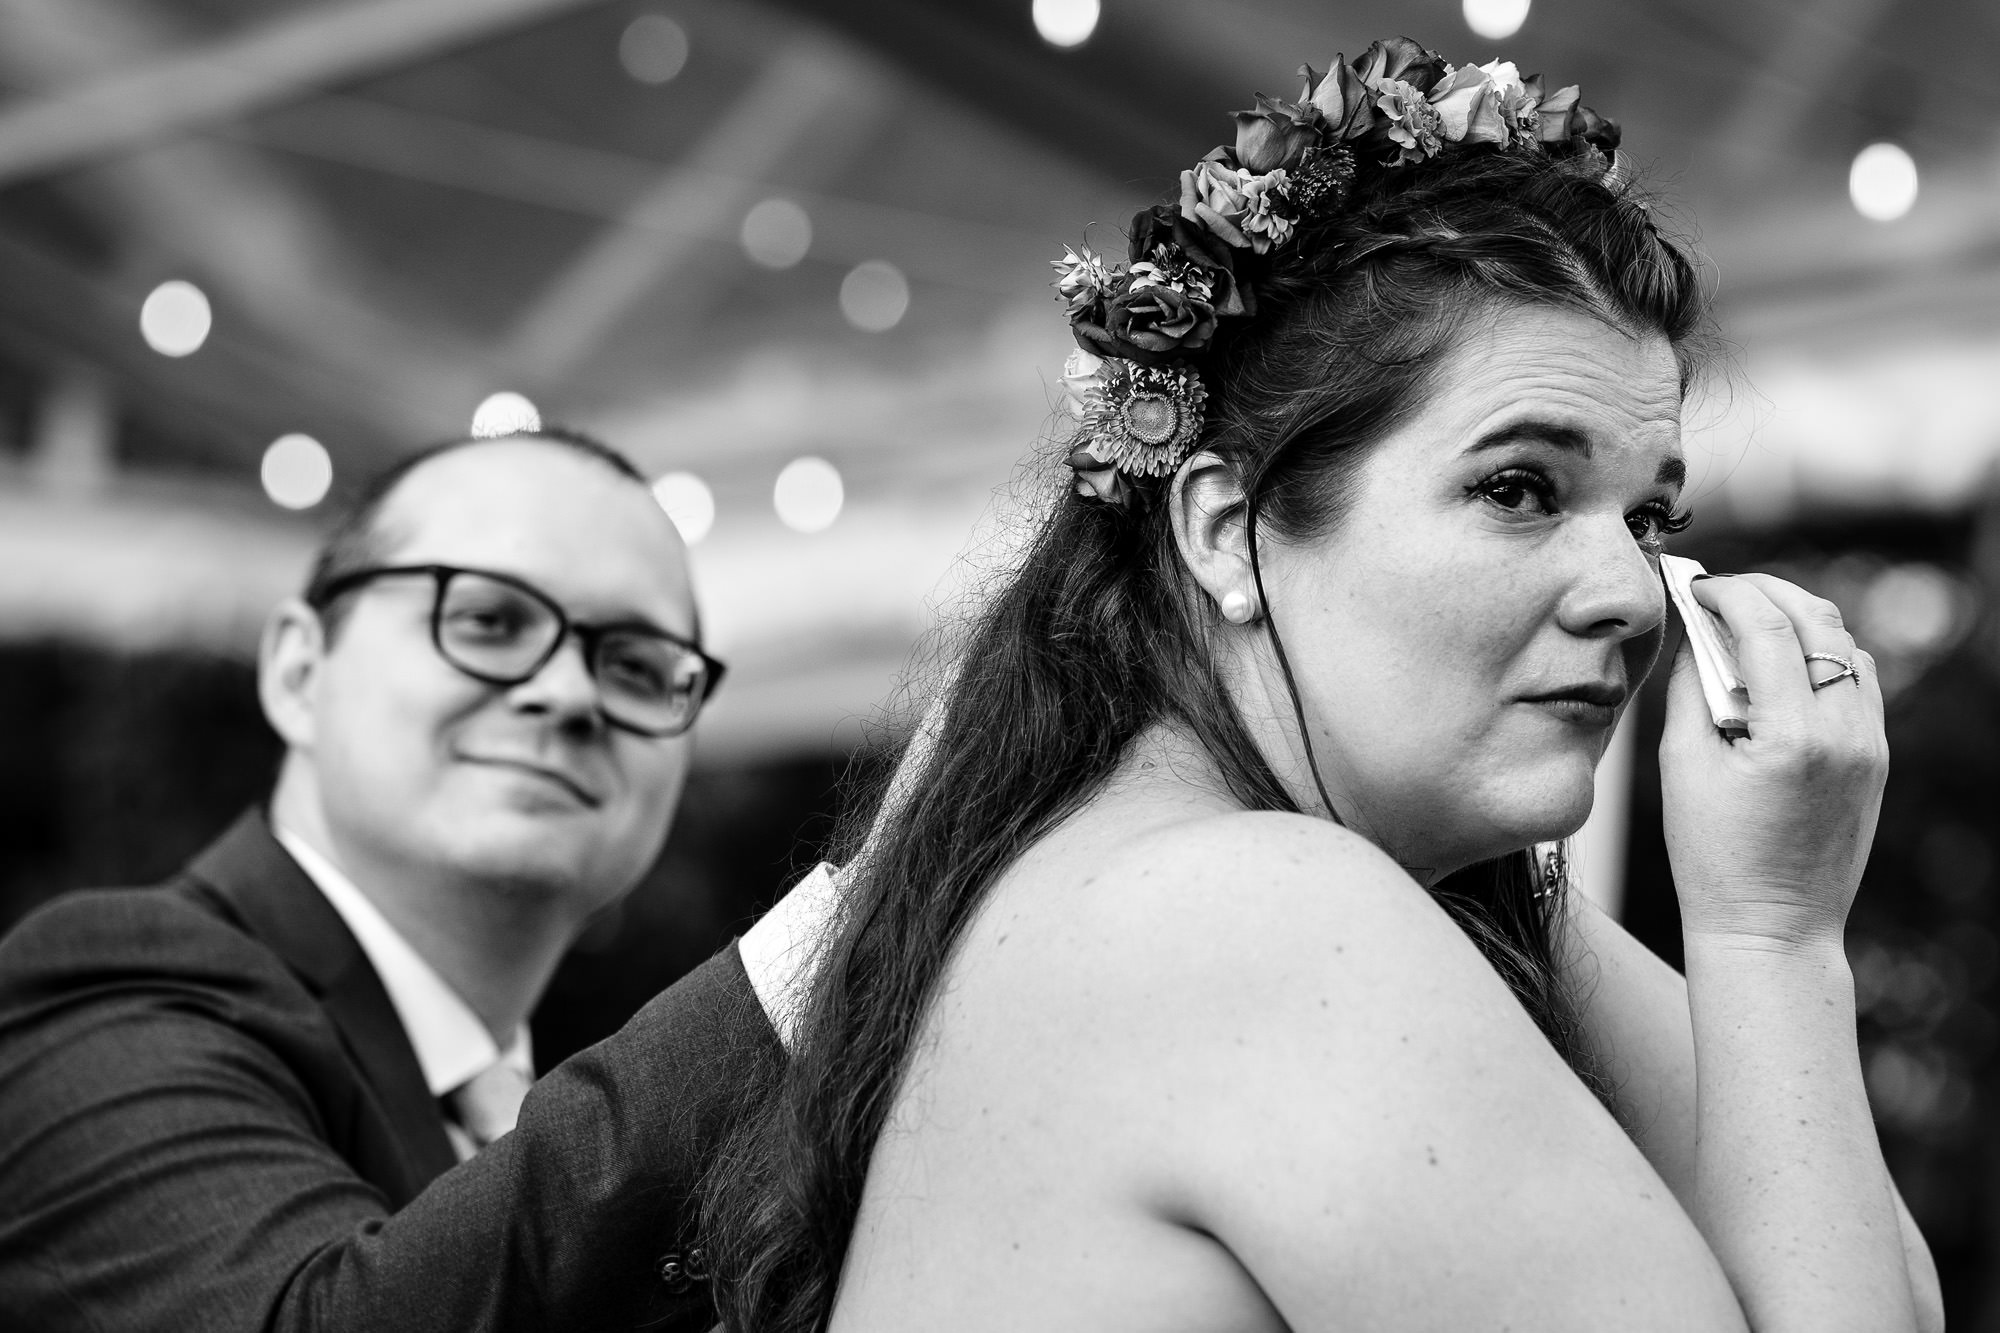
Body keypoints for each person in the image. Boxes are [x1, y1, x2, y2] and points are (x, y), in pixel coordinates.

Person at [698, 37, 1946, 1332]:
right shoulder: (1251, 919)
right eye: (1519, 489)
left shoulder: (1207, 865)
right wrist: (1774, 936)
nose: (1633, 594)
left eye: (1649, 518)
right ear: (1227, 534)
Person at [0, 427, 814, 1330]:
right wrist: (836, 949)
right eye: (488, 621)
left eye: (633, 663)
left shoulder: (529, 1110)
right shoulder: (110, 983)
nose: (572, 694)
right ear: (299, 671)